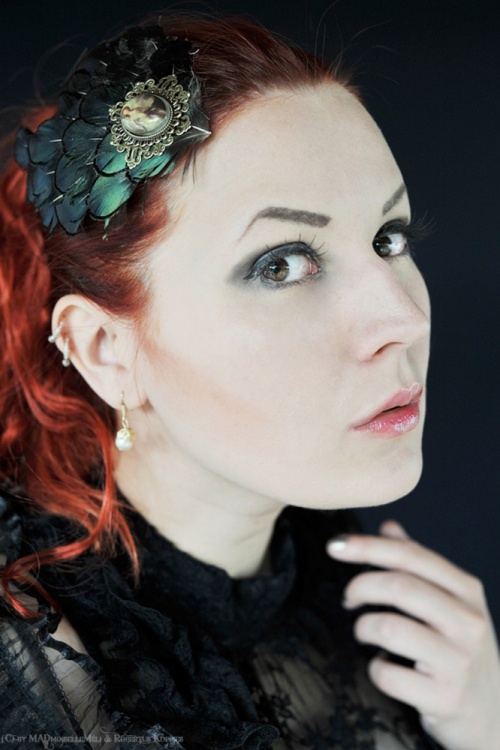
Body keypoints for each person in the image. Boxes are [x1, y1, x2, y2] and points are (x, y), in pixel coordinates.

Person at [0, 12, 498, 750]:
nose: (404, 318)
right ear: (105, 351)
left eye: (388, 239)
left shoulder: (363, 597)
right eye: (282, 264)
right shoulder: (35, 670)